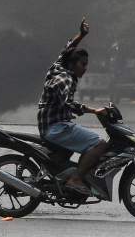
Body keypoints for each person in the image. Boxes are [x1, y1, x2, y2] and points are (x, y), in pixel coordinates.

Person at [37, 18, 108, 195]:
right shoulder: (64, 79)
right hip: (56, 128)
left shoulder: (59, 67)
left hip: (52, 125)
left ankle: (62, 178)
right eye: (82, 64)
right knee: (99, 145)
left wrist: (81, 35)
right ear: (73, 64)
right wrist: (92, 110)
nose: (85, 68)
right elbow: (66, 103)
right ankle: (75, 179)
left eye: (86, 64)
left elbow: (67, 49)